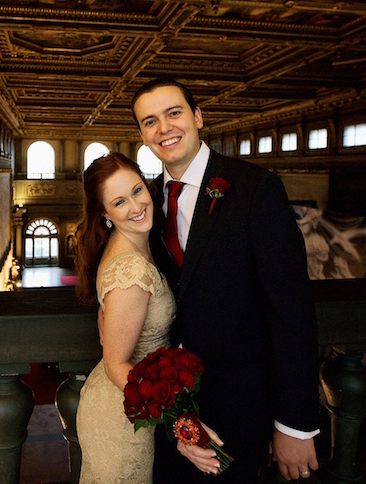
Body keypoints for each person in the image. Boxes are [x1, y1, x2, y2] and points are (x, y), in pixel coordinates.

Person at [131, 78, 321, 482]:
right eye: (150, 121)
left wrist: (295, 424)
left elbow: (293, 312)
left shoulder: (256, 189)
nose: (164, 128)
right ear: (143, 136)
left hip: (243, 409)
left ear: (198, 117)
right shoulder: (146, 202)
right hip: (172, 413)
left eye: (174, 113)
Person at [74, 152, 176, 483]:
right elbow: (117, 363)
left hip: (130, 406)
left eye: (137, 191)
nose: (135, 206)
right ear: (104, 213)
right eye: (119, 202)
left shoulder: (130, 243)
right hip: (122, 417)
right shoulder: (131, 269)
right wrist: (178, 418)